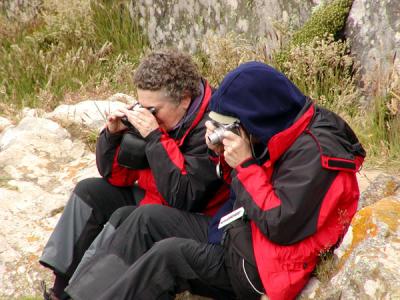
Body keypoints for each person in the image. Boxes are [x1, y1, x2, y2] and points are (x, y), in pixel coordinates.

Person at [64, 61, 366, 300]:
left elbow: (280, 224)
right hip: (241, 230)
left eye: (230, 126)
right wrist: (224, 155)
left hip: (259, 264)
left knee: (168, 256)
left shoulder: (317, 156)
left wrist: (245, 164)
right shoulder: (284, 125)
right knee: (146, 219)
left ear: (254, 119)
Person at [39, 50, 229, 300]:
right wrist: (112, 135)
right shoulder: (163, 117)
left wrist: (154, 137)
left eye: (153, 109)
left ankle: (88, 295)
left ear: (184, 99)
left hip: (193, 216)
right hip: (155, 197)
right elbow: (115, 176)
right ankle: (61, 289)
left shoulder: (210, 129)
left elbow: (185, 197)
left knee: (126, 217)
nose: (147, 114)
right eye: (142, 105)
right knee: (89, 192)